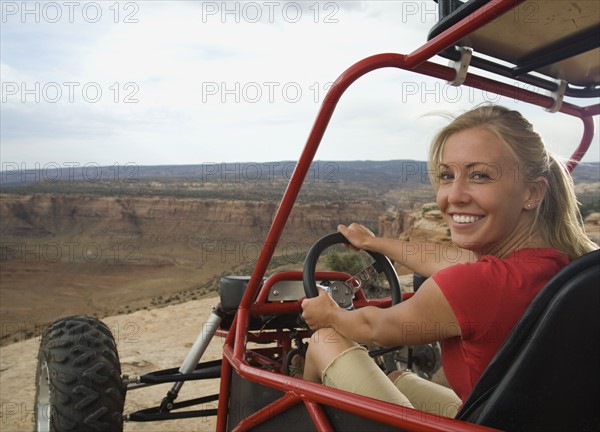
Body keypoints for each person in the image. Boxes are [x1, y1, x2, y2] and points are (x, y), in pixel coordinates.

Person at [299, 104, 598, 418]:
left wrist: (329, 315)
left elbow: (374, 327)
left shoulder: (478, 285)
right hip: (506, 416)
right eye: (446, 175)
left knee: (325, 340)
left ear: (532, 193)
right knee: (400, 380)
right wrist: (374, 243)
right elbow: (453, 261)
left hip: (485, 422)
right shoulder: (563, 266)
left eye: (479, 175)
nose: (454, 195)